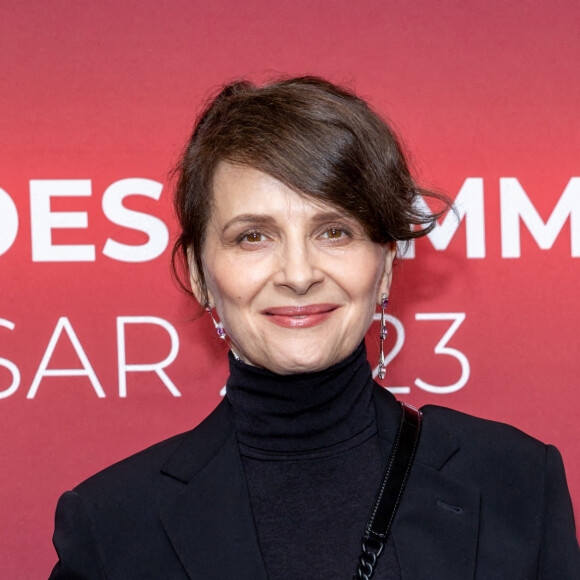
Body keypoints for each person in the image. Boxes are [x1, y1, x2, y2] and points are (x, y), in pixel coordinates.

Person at [49, 77, 579, 579]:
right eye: (253, 237)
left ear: (387, 262)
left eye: (334, 231)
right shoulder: (112, 525)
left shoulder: (516, 483)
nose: (299, 275)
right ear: (198, 274)